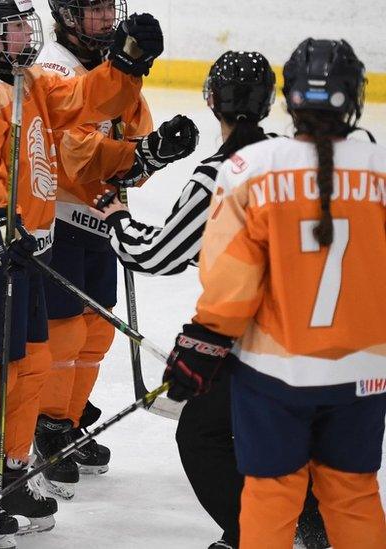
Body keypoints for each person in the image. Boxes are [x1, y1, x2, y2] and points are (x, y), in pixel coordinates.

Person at [0, 0, 162, 534]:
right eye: (11, 27)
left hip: (31, 246)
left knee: (32, 365)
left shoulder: (25, 80)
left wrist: (126, 64)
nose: (24, 34)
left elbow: (84, 97)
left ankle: (11, 477)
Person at [95, 50, 329, 549]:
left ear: (210, 101)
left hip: (259, 338)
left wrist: (116, 216)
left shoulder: (220, 175)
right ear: (270, 103)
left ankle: (259, 533)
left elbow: (156, 254)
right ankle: (308, 524)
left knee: (201, 435)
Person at [163, 38, 386, 549]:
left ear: (288, 99)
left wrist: (201, 345)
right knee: (353, 495)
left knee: (271, 493)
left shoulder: (251, 167)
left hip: (276, 373)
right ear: (354, 96)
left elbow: (230, 280)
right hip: (363, 372)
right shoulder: (381, 167)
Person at [31, 0, 198, 499]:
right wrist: (137, 155)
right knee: (61, 333)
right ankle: (45, 424)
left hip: (101, 220)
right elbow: (73, 156)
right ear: (65, 16)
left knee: (96, 331)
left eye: (109, 8)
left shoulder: (118, 72)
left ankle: (68, 418)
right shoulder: (53, 69)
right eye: (94, 10)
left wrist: (154, 152)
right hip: (56, 218)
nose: (106, 19)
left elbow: (132, 154)